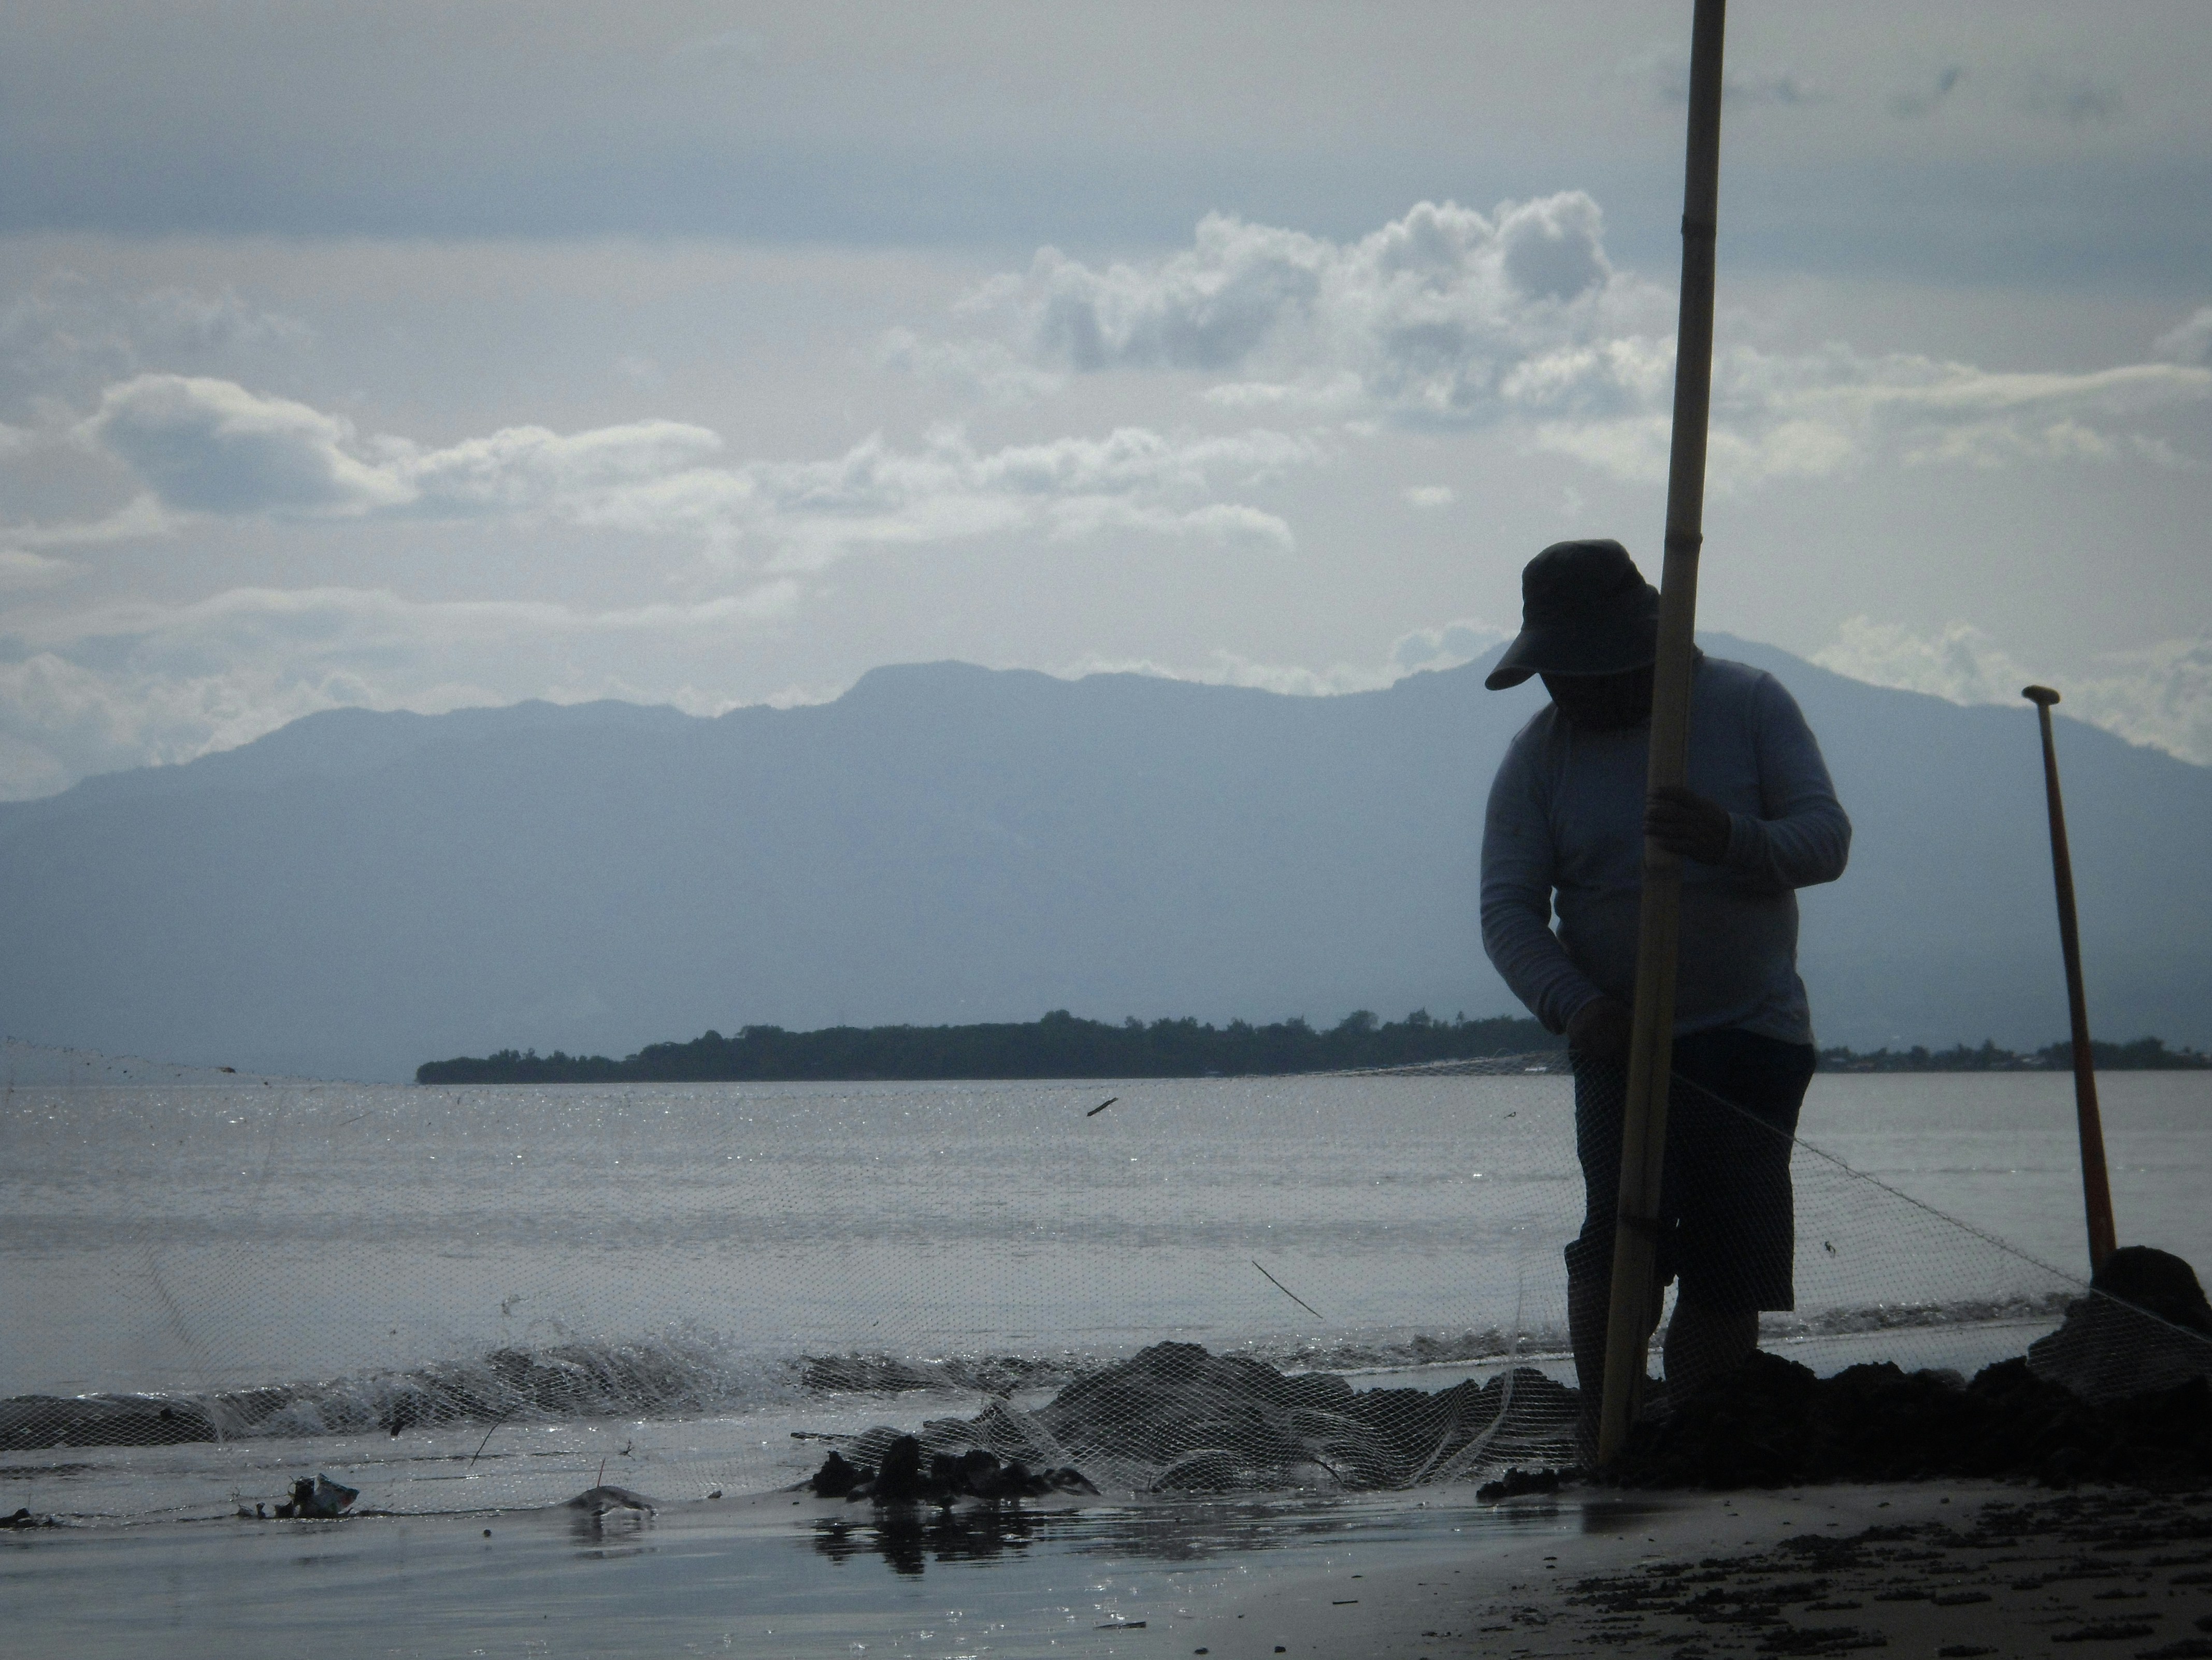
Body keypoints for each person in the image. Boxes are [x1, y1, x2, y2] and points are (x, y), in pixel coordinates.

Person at [1478, 538, 1851, 1434]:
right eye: (1552, 673)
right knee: (1618, 1234)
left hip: (1752, 1040)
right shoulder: (1540, 756)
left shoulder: (1745, 705)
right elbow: (1508, 914)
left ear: (1639, 650)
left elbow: (1824, 840)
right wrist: (1577, 1006)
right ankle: (1609, 1426)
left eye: (1579, 670)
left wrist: (1729, 837)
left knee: (1731, 1254)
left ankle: (1706, 1426)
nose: (1563, 689)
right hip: (1618, 1041)